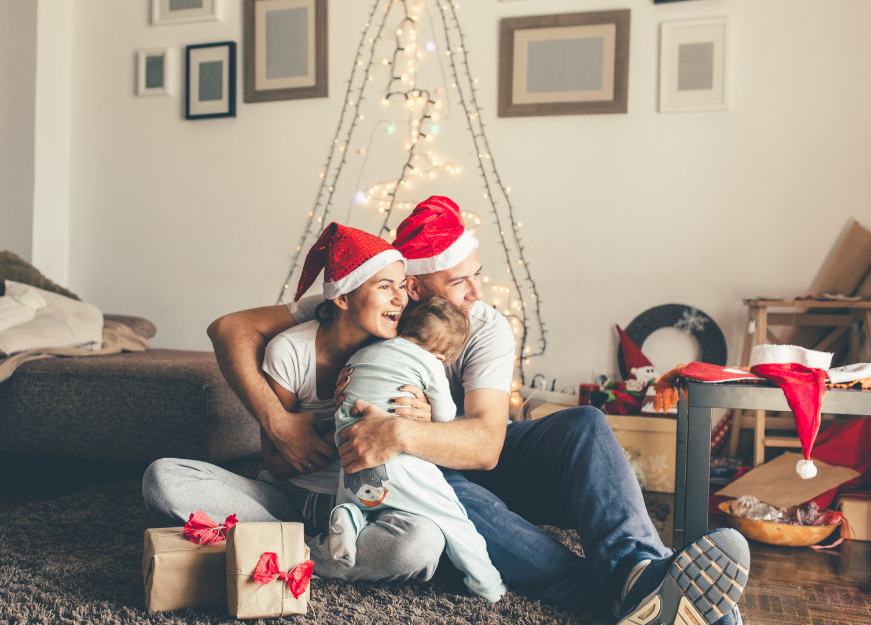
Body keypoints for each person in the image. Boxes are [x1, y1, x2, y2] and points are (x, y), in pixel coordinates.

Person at [203, 195, 749, 625]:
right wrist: (278, 423)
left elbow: (487, 445)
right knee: (445, 492)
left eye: (476, 273)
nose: (474, 292)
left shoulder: (482, 324)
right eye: (457, 279)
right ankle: (622, 598)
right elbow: (230, 328)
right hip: (423, 480)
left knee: (585, 422)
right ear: (410, 287)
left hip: (467, 453)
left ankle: (639, 573)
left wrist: (404, 431)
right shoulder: (369, 299)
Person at [142, 223, 447, 583]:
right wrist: (337, 431)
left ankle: (285, 553)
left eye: (401, 286)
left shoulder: (401, 354)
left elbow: (417, 451)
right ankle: (318, 555)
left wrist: (416, 421)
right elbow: (275, 461)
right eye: (384, 287)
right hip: (286, 498)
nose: (401, 299)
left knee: (422, 544)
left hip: (366, 503)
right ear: (342, 298)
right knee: (162, 479)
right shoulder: (290, 350)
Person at [330, 296, 505, 603]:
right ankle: (489, 586)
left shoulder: (361, 354)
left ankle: (348, 514)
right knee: (454, 518)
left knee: (368, 507)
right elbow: (447, 417)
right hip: (396, 462)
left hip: (350, 460)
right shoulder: (428, 363)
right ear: (443, 356)